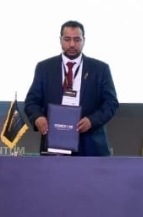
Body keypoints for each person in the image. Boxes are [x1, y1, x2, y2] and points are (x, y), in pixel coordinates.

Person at [24, 20, 119, 156]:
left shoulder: (100, 69)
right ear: (60, 40)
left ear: (84, 41)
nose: (72, 44)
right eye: (67, 39)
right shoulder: (44, 68)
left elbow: (111, 103)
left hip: (91, 146)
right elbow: (31, 102)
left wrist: (92, 121)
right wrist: (38, 117)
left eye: (77, 39)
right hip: (54, 144)